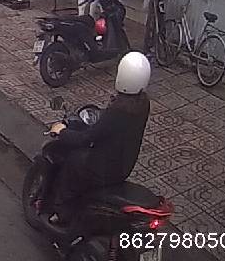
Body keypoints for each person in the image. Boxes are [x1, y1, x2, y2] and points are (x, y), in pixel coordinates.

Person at [47, 52, 152, 225]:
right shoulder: (142, 104)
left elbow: (86, 138)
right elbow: (114, 128)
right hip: (124, 164)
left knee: (73, 162)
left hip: (103, 168)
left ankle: (62, 212)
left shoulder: (118, 111)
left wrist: (62, 132)